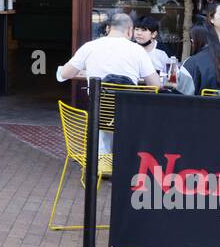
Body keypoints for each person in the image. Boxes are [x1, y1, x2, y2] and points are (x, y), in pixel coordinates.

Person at [56, 13, 160, 163]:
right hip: (128, 115)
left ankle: (100, 164)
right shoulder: (137, 51)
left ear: (108, 28)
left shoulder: (90, 47)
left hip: (99, 113)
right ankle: (123, 163)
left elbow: (65, 74)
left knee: (102, 114)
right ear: (130, 30)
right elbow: (155, 85)